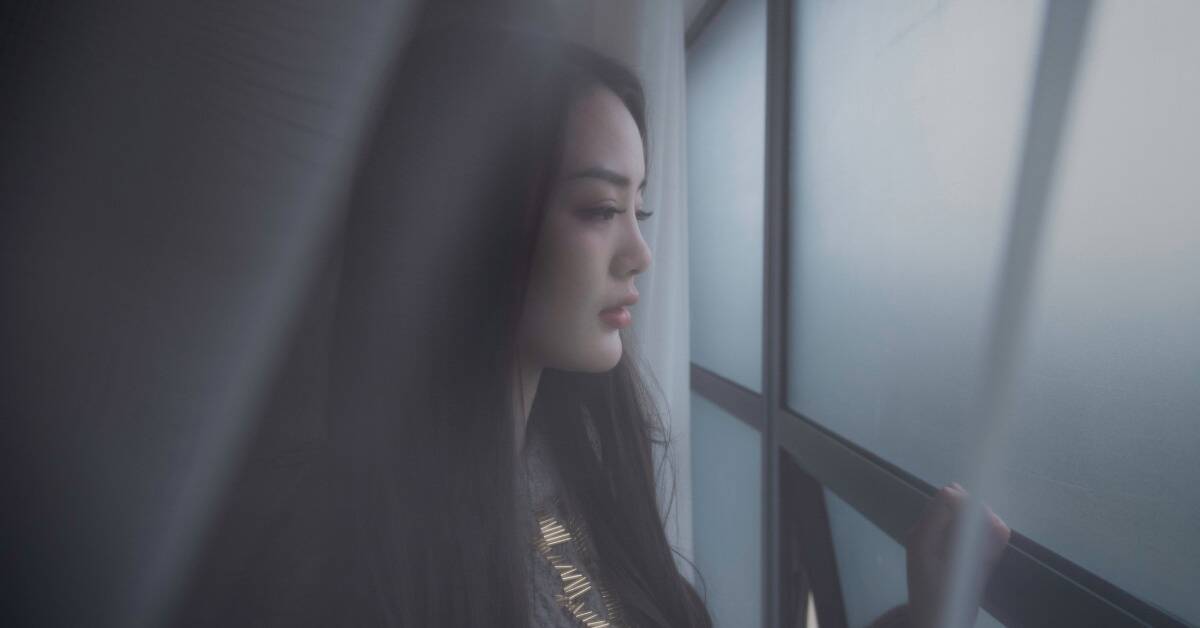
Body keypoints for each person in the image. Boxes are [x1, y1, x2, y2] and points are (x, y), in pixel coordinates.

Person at [324, 20, 1009, 628]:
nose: (641, 254)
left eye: (639, 212)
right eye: (599, 210)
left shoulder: (553, 478)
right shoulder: (353, 566)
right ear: (470, 223)